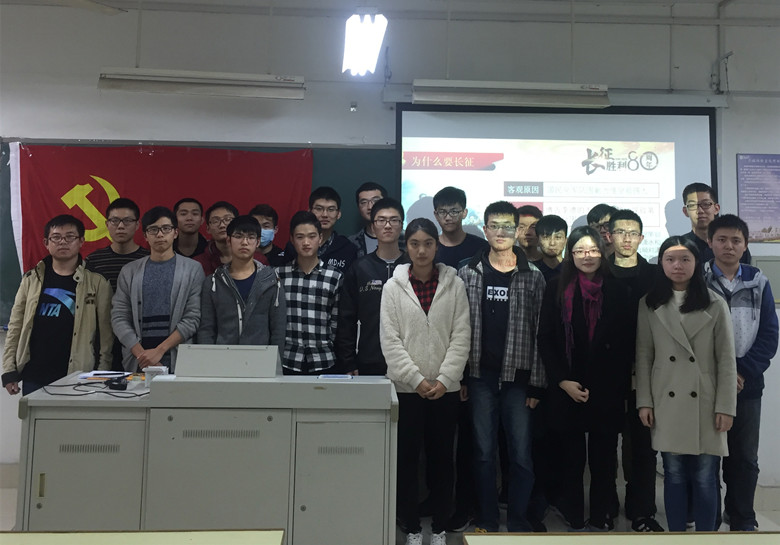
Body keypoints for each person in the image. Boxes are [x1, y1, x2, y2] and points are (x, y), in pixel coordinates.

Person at [636, 236, 737, 532]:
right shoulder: (649, 303)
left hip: (705, 401)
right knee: (674, 473)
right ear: (661, 263)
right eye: (670, 259)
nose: (677, 265)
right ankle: (677, 535)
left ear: (696, 263)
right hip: (665, 399)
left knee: (706, 476)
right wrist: (645, 401)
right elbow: (644, 356)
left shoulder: (715, 304)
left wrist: (726, 407)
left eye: (685, 259)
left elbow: (726, 360)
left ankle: (705, 536)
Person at [380, 218, 471, 545]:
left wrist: (445, 379)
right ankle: (412, 527)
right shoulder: (393, 287)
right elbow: (390, 341)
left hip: (445, 390)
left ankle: (441, 525)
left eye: (428, 244)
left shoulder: (454, 284)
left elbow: (461, 336)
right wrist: (416, 379)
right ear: (406, 246)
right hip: (406, 390)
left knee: (442, 459)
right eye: (415, 244)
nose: (421, 250)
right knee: (407, 460)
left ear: (437, 246)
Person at [457, 201, 546, 533]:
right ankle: (487, 518)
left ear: (517, 230)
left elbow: (541, 333)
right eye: (494, 225)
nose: (501, 232)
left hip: (519, 379)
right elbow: (458, 328)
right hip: (479, 376)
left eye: (508, 226)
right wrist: (462, 377)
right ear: (485, 230)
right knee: (482, 453)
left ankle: (519, 519)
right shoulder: (468, 272)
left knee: (521, 454)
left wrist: (537, 383)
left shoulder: (533, 276)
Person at [537, 226, 632, 531]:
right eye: (580, 250)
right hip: (568, 386)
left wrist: (615, 387)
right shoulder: (556, 287)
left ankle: (602, 512)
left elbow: (627, 343)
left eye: (592, 250)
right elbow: (545, 338)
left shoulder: (617, 289)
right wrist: (562, 381)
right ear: (571, 254)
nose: (587, 256)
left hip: (607, 388)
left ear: (602, 253)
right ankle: (573, 511)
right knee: (571, 457)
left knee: (604, 458)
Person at [704, 214, 778, 532]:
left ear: (745, 244)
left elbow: (769, 335)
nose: (729, 246)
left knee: (744, 457)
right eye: (722, 239)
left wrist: (741, 372)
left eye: (736, 240)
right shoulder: (699, 279)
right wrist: (719, 374)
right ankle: (708, 516)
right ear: (710, 242)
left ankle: (742, 516)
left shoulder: (758, 281)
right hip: (706, 382)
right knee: (708, 456)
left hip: (746, 384)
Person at [2, 215, 113, 396]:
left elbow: (106, 335)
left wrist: (102, 373)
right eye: (56, 237)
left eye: (70, 237)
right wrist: (9, 369)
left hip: (78, 375)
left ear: (81, 241)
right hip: (34, 374)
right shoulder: (31, 279)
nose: (63, 242)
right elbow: (16, 326)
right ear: (46, 242)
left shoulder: (97, 282)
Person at [606, 209, 663, 532]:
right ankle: (605, 505)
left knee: (642, 444)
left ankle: (642, 510)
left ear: (641, 238)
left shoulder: (656, 276)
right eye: (620, 232)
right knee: (604, 443)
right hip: (605, 371)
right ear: (609, 236)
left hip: (647, 373)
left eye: (632, 233)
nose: (626, 239)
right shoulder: (598, 273)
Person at [112, 206, 204, 373]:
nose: (160, 234)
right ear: (145, 235)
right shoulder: (129, 271)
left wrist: (159, 351)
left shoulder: (193, 269)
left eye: (166, 228)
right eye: (153, 230)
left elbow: (193, 317)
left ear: (175, 233)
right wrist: (143, 356)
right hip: (138, 361)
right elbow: (119, 317)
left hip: (179, 360)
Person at [337, 197, 408, 376]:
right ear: (373, 226)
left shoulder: (413, 266)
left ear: (401, 225)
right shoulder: (360, 268)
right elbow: (346, 319)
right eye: (381, 220)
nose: (388, 226)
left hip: (410, 361)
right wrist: (348, 361)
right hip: (369, 360)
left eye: (394, 220)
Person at [197, 215, 286, 349]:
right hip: (222, 357)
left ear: (257, 242)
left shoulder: (272, 280)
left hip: (260, 358)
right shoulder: (213, 282)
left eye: (250, 237)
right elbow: (206, 329)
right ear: (228, 240)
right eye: (238, 236)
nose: (244, 242)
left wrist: (276, 360)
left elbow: (278, 329)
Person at [85, 198, 151, 371]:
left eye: (127, 221)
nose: (120, 226)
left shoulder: (149, 259)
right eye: (115, 221)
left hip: (139, 340)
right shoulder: (93, 261)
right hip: (101, 340)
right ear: (107, 224)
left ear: (137, 225)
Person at [276, 211, 342, 375]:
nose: (306, 242)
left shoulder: (334, 276)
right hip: (288, 359)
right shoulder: (279, 275)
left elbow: (336, 321)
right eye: (300, 237)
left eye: (312, 236)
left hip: (324, 359)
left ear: (320, 238)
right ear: (292, 240)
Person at [285, 186, 358, 272]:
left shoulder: (348, 248)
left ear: (338, 214)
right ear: (309, 211)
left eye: (331, 209)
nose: (325, 215)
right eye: (319, 209)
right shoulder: (294, 246)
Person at [681, 182, 751, 265]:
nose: (700, 211)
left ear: (716, 209)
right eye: (692, 205)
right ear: (685, 211)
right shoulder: (680, 246)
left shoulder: (734, 245)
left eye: (706, 204)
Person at [195, 201, 269, 275]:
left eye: (227, 219)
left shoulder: (258, 260)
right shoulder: (199, 263)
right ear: (208, 228)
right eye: (215, 221)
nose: (222, 225)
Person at [432, 186, 488, 269]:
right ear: (436, 215)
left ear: (464, 213)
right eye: (442, 212)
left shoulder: (482, 248)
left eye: (454, 211)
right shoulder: (429, 248)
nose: (448, 217)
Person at [532, 214, 567, 281]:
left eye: (558, 237)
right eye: (546, 237)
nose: (552, 243)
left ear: (565, 240)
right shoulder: (531, 270)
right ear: (538, 240)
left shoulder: (573, 270)